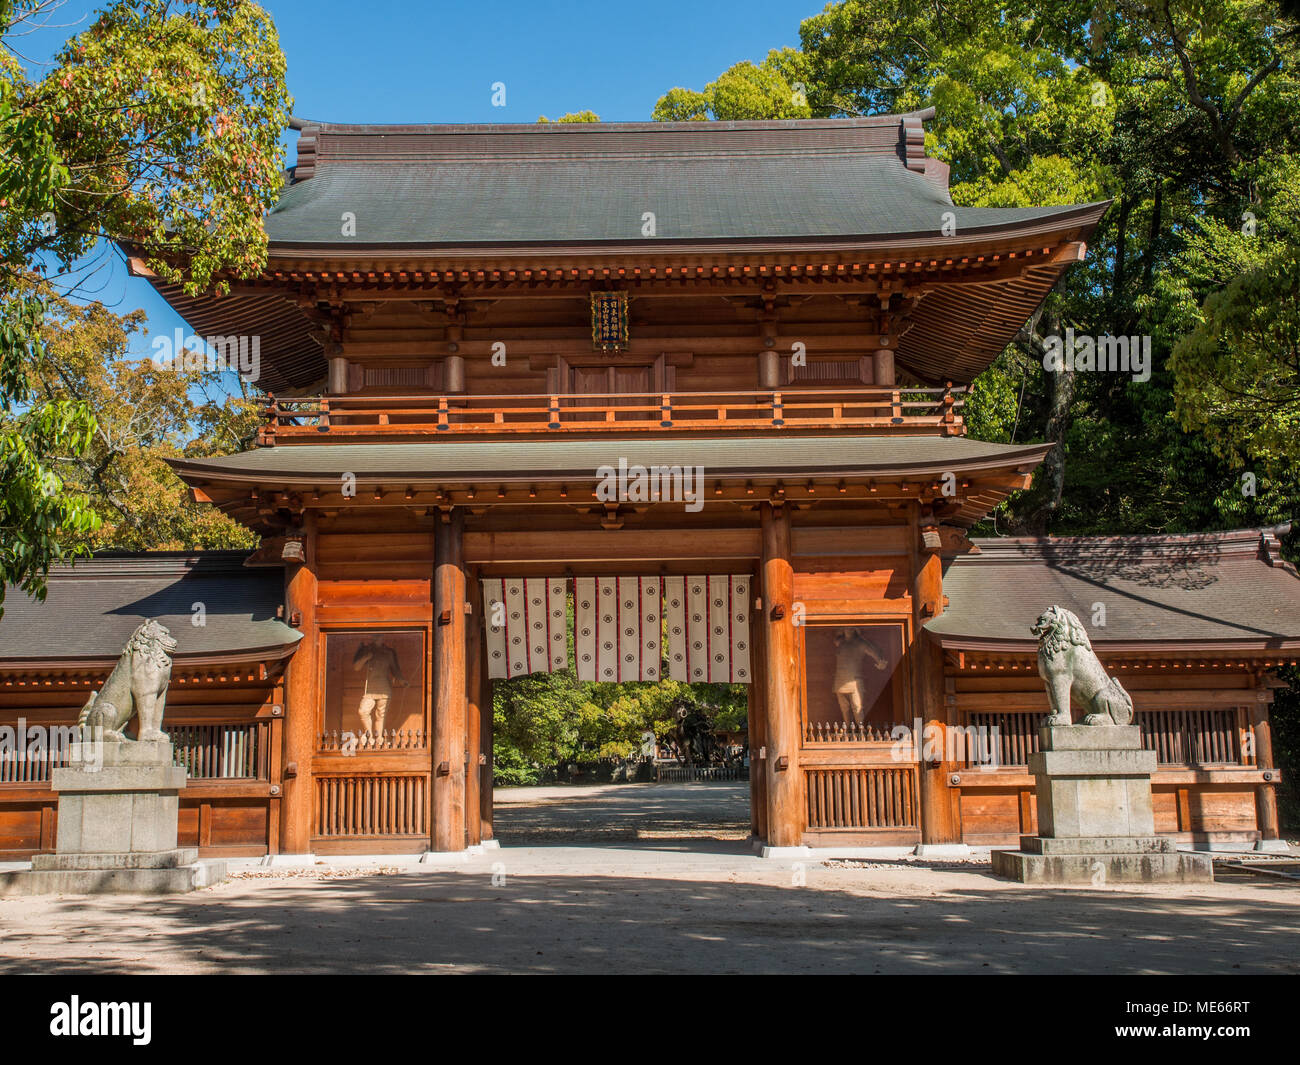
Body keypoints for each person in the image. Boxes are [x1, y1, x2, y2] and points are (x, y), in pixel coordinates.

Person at [352, 639, 410, 738]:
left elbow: (395, 669)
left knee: (381, 714)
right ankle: (369, 736)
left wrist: (401, 680)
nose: (377, 636)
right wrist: (365, 658)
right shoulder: (366, 650)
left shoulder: (388, 652)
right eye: (375, 634)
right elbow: (356, 667)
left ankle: (379, 738)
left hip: (384, 687)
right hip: (370, 687)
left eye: (380, 635)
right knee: (363, 711)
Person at [832, 628, 889, 726]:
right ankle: (849, 729)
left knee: (857, 707)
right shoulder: (841, 643)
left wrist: (880, 661)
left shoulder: (861, 643)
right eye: (846, 628)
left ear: (855, 629)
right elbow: (836, 640)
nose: (848, 630)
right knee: (844, 707)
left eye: (850, 628)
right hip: (840, 680)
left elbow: (873, 652)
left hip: (854, 681)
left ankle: (861, 729)